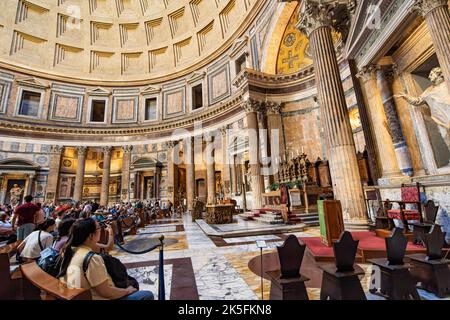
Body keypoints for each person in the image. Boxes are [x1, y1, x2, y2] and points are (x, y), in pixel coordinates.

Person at [58, 218, 154, 300]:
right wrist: (127, 291)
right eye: (99, 228)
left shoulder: (69, 250)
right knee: (146, 295)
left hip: (78, 295)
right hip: (97, 297)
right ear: (91, 236)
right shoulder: (91, 258)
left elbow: (107, 247)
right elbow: (106, 292)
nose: (101, 229)